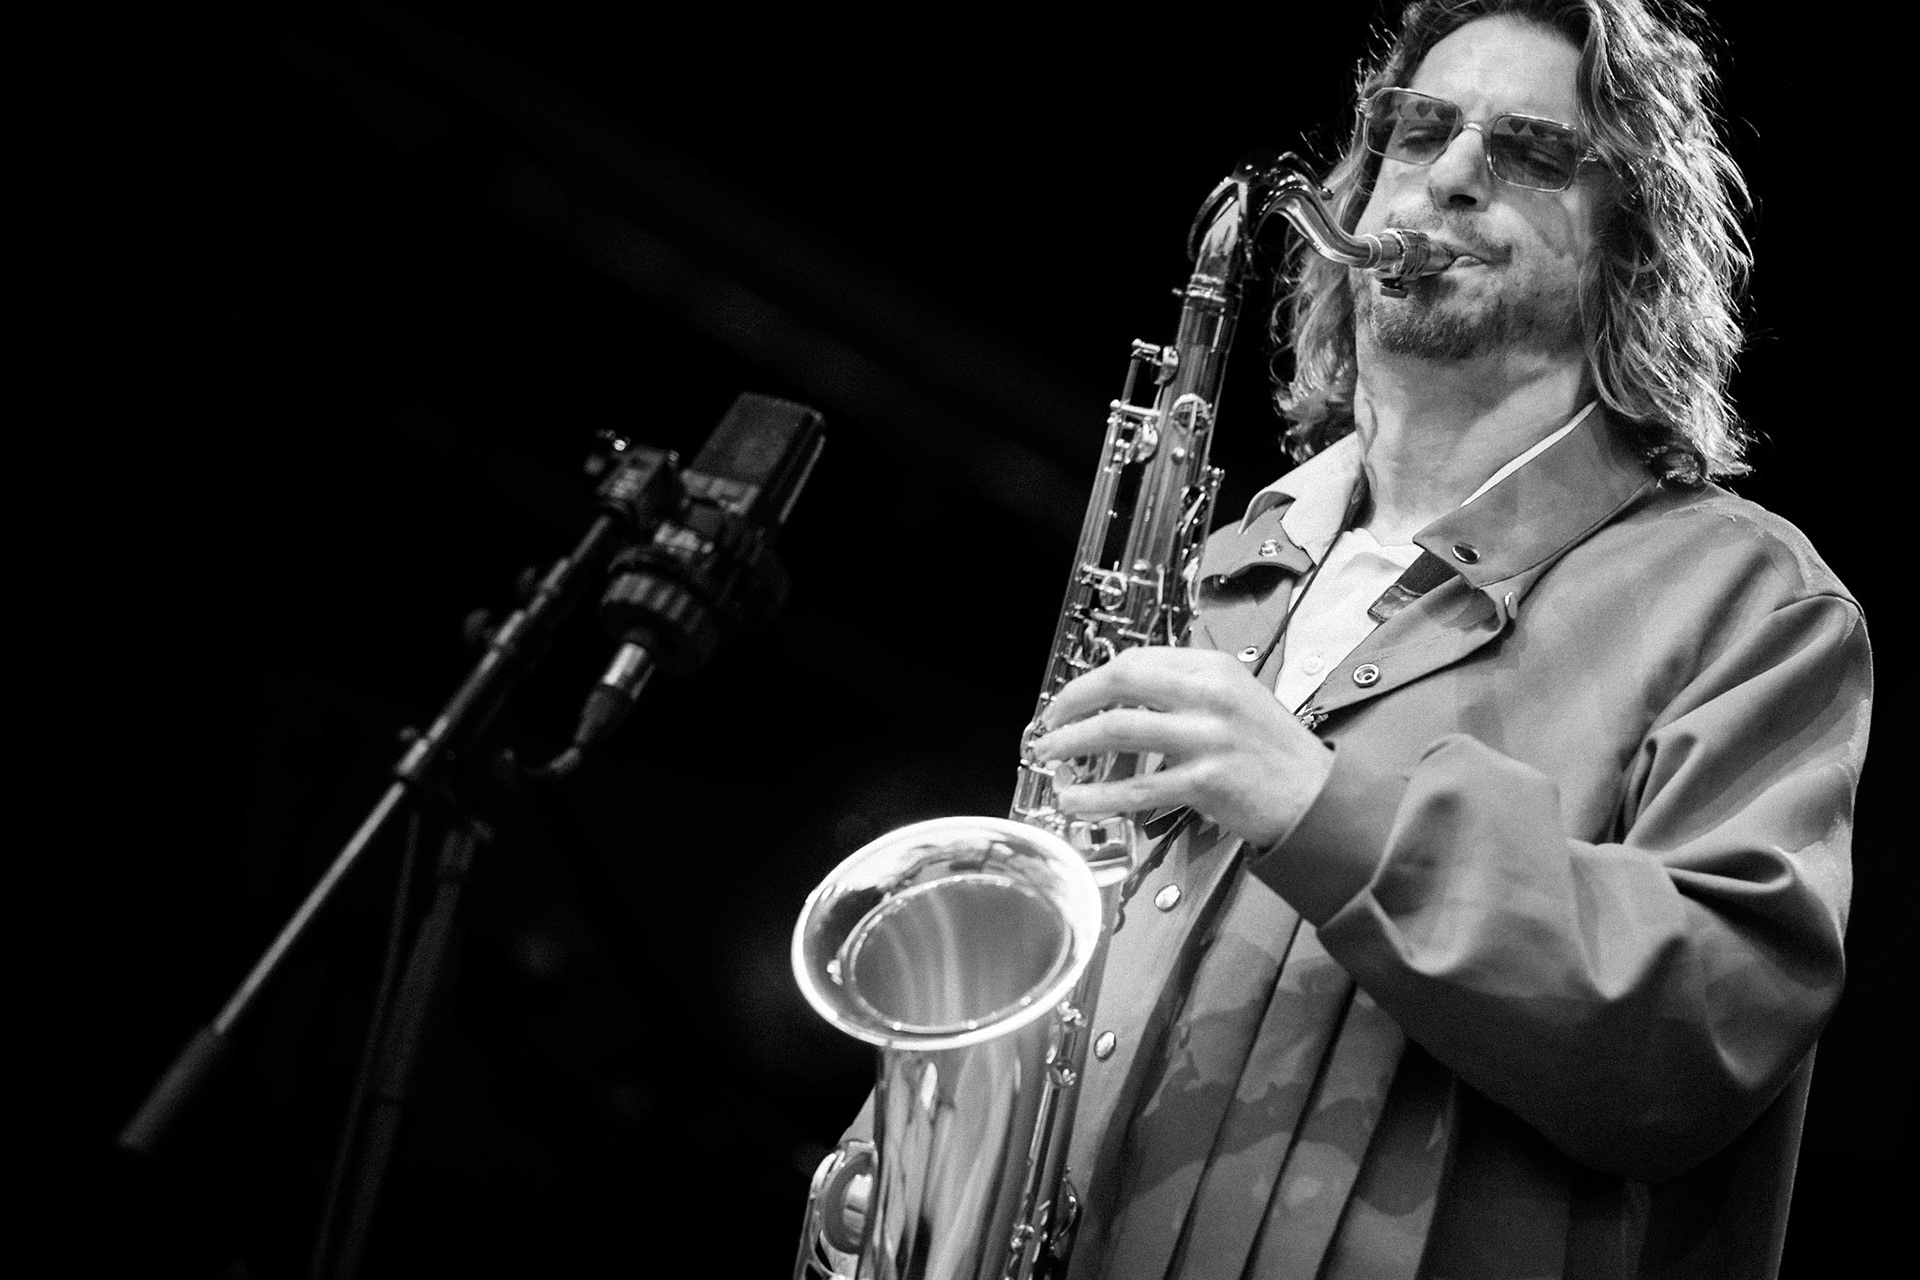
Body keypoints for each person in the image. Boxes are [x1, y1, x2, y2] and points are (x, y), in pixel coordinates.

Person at [1025, 1, 1871, 1277]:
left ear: (1632, 246)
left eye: (1531, 151)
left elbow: (1701, 1033)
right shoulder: (1215, 575)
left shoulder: (1748, 599)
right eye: (1416, 133)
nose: (1455, 173)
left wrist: (1318, 803)